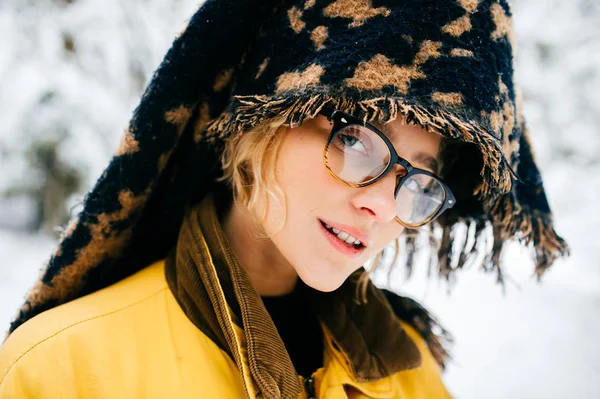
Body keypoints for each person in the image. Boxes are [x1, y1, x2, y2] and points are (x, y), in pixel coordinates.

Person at [0, 1, 568, 398]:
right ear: (267, 113)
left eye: (421, 181)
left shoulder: (406, 369)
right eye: (355, 139)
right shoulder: (61, 368)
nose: (381, 206)